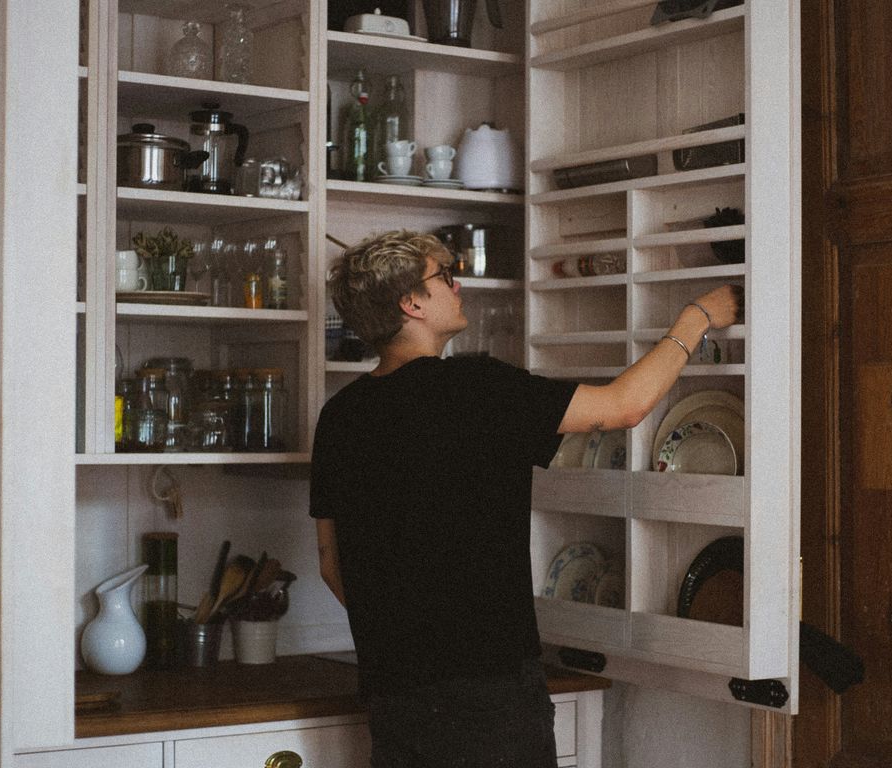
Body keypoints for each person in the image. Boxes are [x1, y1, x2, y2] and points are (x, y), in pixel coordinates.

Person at [310, 230, 739, 767]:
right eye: (443, 276)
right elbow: (624, 406)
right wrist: (696, 317)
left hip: (393, 693)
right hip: (492, 695)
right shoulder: (475, 389)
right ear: (410, 303)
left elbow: (330, 563)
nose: (456, 283)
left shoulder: (340, 416)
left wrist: (407, 630)